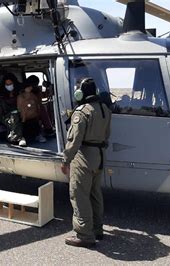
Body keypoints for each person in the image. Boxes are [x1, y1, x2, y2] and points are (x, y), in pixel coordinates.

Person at [61, 78, 112, 248]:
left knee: (79, 194)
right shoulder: (104, 109)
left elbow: (74, 141)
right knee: (95, 194)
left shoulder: (81, 112)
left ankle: (84, 235)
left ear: (80, 92)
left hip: (84, 157)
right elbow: (106, 135)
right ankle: (97, 229)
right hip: (99, 156)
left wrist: (65, 160)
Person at [0, 73, 26, 146]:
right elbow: (1, 113)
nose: (9, 86)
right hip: (6, 115)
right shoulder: (1, 96)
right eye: (7, 84)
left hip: (19, 112)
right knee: (14, 117)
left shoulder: (19, 92)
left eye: (10, 83)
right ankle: (19, 138)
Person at [17, 78, 46, 143]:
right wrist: (23, 117)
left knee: (35, 125)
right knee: (23, 127)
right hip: (24, 118)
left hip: (33, 116)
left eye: (30, 87)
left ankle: (38, 135)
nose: (30, 88)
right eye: (28, 87)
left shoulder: (33, 95)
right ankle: (22, 138)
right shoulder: (20, 96)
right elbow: (20, 108)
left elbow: (37, 104)